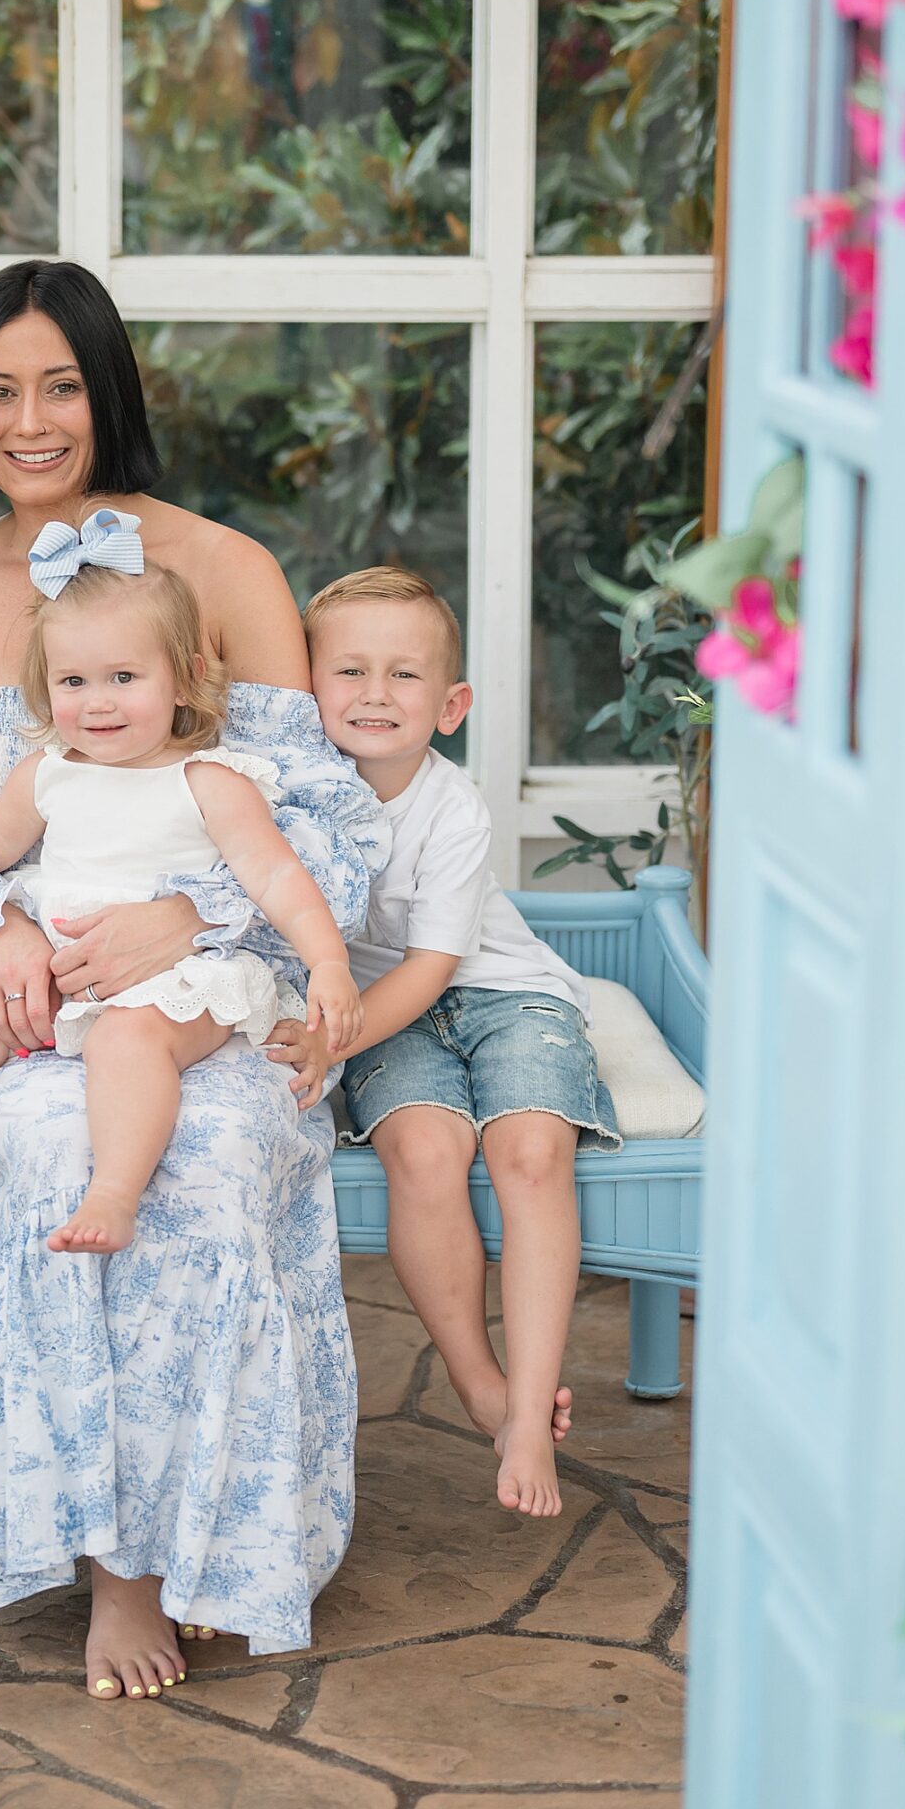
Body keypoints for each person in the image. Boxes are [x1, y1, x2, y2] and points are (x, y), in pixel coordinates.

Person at [0, 261, 385, 1700]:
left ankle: (208, 1537)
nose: (29, 419)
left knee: (199, 1166)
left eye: (60, 383)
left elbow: (317, 819)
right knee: (51, 1147)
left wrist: (187, 920)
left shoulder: (229, 569)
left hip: (207, 1001)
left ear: (108, 392)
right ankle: (112, 1566)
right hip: (15, 997)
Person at [0, 535, 362, 1281]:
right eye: (74, 680)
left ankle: (114, 1195)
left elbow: (279, 879)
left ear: (185, 679)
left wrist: (327, 962)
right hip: (62, 980)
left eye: (124, 677)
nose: (96, 702)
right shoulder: (49, 773)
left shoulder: (210, 782)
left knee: (127, 1044)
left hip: (175, 985)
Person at [286, 566, 619, 1521]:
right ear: (307, 691)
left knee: (528, 1149)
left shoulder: (453, 805)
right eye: (348, 671)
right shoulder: (295, 801)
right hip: (388, 1013)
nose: (375, 695)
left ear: (451, 704)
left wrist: (324, 1043)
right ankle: (481, 1384)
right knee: (426, 1150)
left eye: (404, 675)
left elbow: (433, 968)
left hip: (502, 996)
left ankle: (532, 1402)